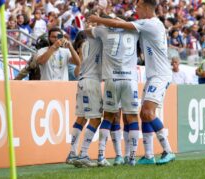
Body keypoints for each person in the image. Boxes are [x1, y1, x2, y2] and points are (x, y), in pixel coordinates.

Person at [88, 0, 175, 165]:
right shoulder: (148, 24)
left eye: (139, 7)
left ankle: (168, 150)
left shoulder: (151, 24)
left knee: (148, 113)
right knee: (143, 114)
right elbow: (122, 23)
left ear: (147, 8)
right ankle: (149, 155)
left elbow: (117, 23)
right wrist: (104, 16)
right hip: (154, 75)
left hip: (160, 75)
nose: (136, 9)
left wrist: (97, 19)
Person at [86, 18, 140, 166]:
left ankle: (101, 156)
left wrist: (93, 24)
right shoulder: (134, 31)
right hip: (130, 80)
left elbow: (86, 32)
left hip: (112, 78)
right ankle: (132, 158)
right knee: (133, 117)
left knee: (108, 116)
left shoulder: (103, 31)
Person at [66, 31, 103, 168]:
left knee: (81, 118)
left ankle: (72, 153)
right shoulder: (100, 42)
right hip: (92, 82)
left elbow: (77, 70)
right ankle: (83, 154)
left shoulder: (84, 45)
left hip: (81, 81)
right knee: (96, 119)